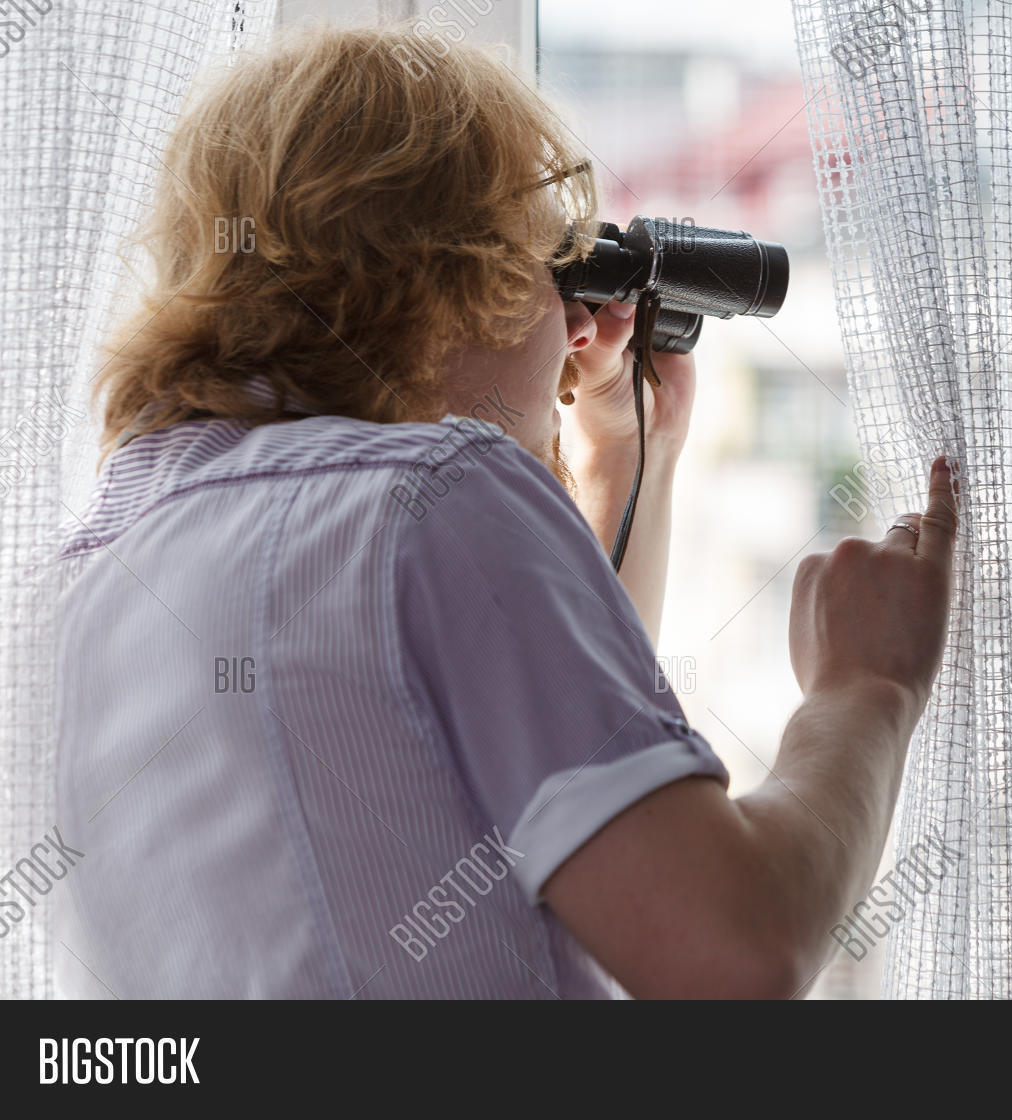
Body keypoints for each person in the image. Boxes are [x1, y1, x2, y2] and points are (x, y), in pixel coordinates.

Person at [53, 24, 956, 999]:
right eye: (555, 273)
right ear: (452, 278)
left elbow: (551, 772)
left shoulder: (86, 574)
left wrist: (629, 462)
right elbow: (734, 950)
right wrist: (864, 690)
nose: (578, 327)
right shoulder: (433, 498)